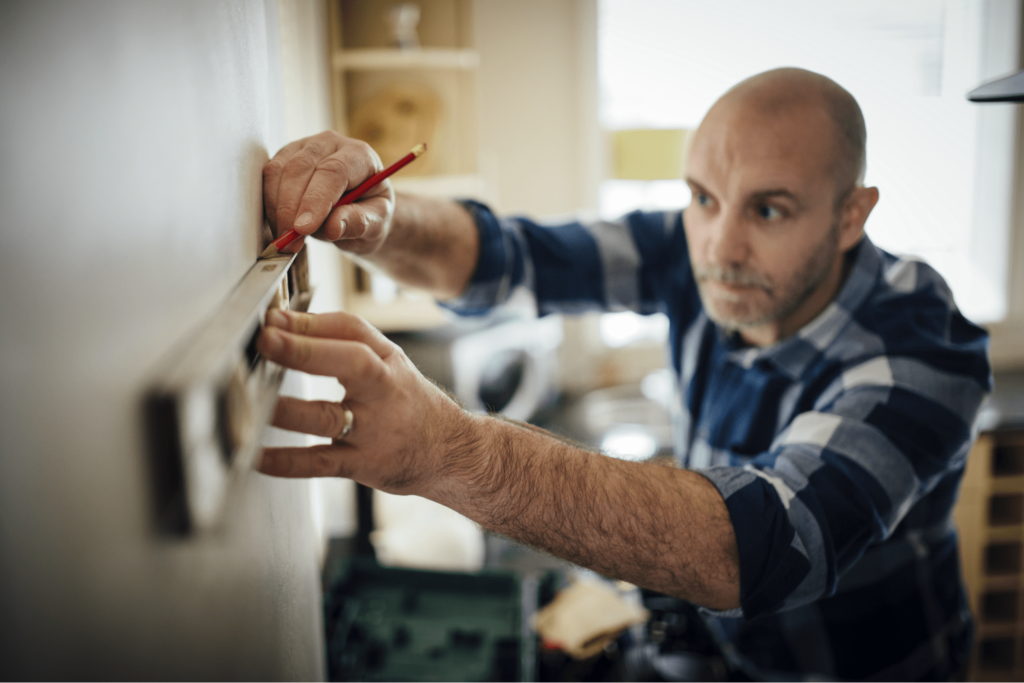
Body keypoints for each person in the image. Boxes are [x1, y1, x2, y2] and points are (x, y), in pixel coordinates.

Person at [257, 68, 990, 682]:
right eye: (702, 195)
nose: (720, 246)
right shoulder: (697, 242)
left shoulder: (923, 348)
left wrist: (450, 450)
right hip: (722, 655)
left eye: (770, 209)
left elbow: (769, 543)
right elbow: (507, 257)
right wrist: (379, 219)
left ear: (850, 216)